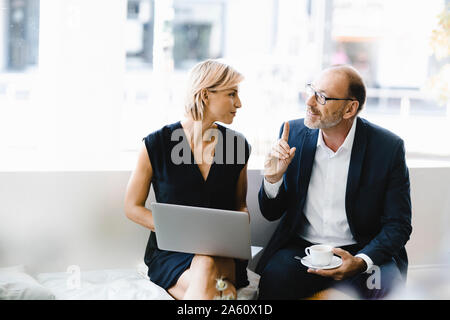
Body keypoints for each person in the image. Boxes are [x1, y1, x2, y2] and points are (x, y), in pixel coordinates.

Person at [256, 65, 412, 299]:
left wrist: (361, 261)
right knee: (273, 281)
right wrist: (273, 179)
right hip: (302, 251)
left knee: (388, 288)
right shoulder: (293, 133)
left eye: (321, 97)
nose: (309, 102)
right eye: (311, 90)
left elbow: (398, 224)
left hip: (361, 251)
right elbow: (271, 212)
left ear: (350, 108)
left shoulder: (387, 148)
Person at [124, 59, 251, 300]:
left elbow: (239, 204)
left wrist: (241, 225)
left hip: (223, 253)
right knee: (220, 290)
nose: (239, 103)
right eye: (232, 94)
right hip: (171, 252)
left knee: (206, 263)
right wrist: (180, 231)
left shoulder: (237, 146)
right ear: (205, 95)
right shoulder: (156, 144)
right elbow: (131, 207)